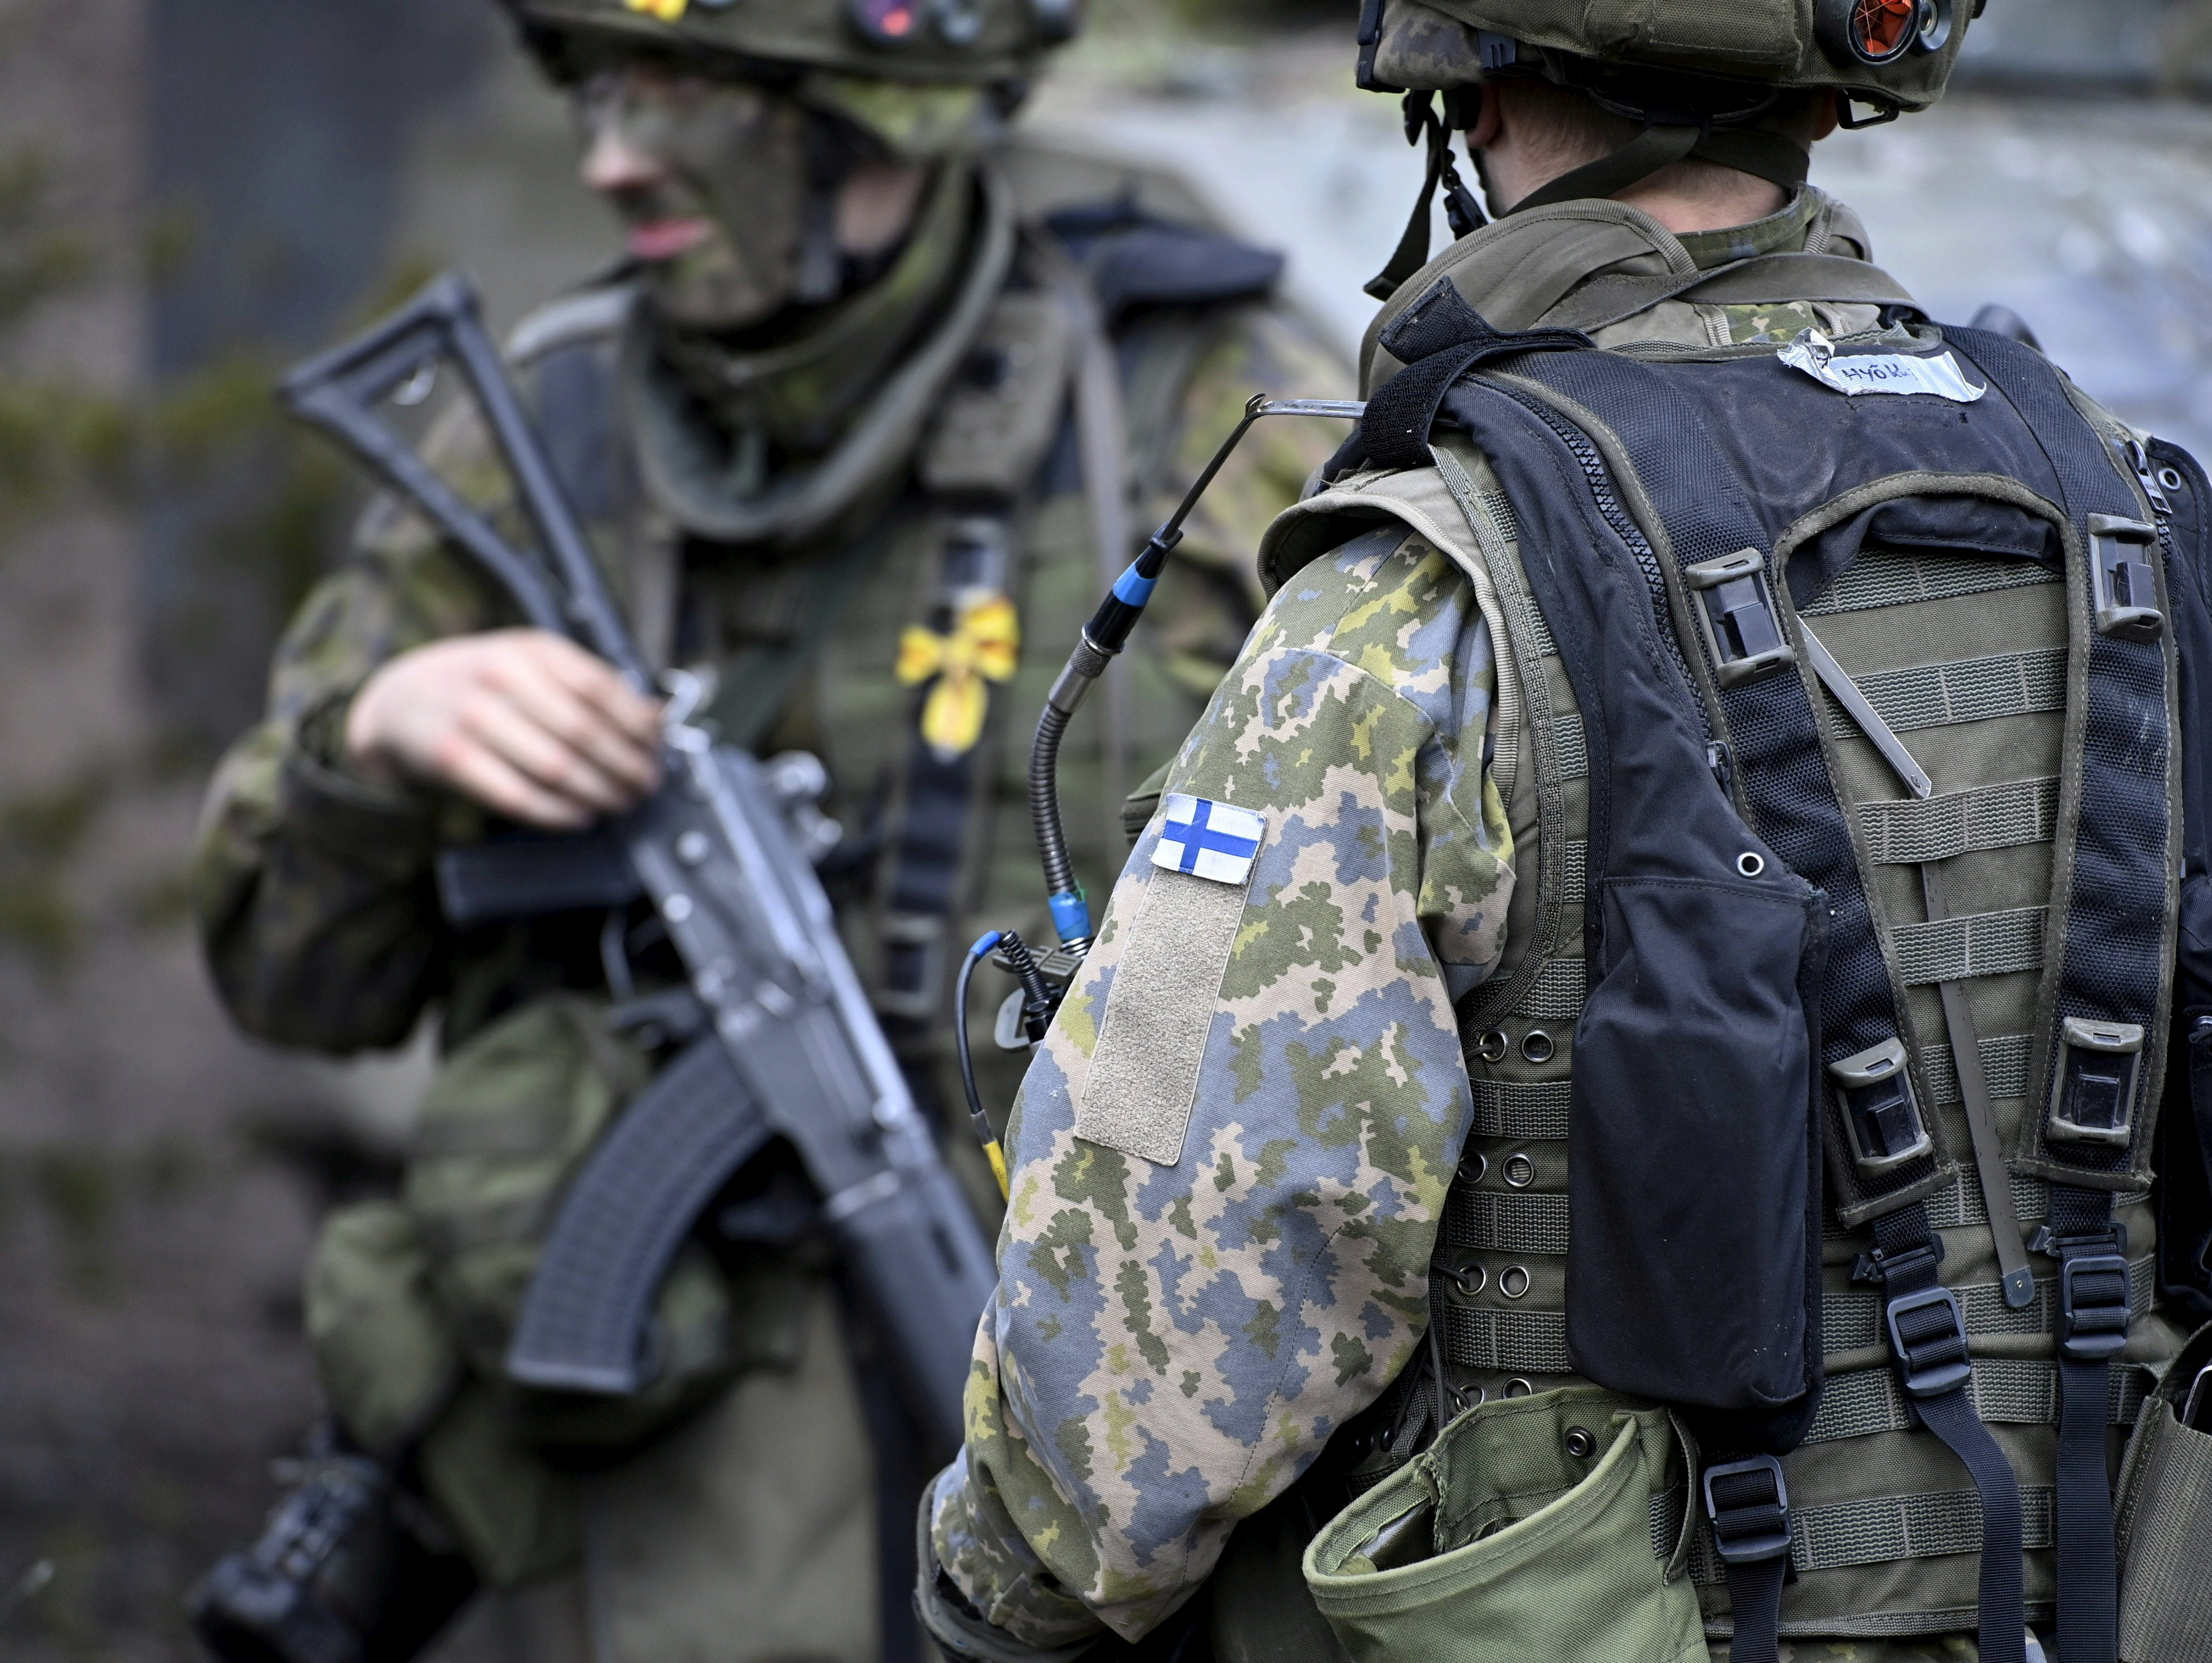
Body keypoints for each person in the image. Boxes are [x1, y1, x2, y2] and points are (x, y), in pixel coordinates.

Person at [920, 5, 2212, 1662]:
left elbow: (1147, 1385)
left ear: (1474, 86)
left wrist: (991, 1590)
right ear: (1832, 97)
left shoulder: (1411, 607)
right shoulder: (2153, 534)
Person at [186, 0, 1348, 1656]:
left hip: (1111, 1405)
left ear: (878, 108)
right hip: (659, 1488)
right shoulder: (551, 433)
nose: (611, 160)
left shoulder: (1195, 417)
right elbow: (293, 984)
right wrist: (378, 741)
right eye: (597, 91)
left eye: (687, 96)